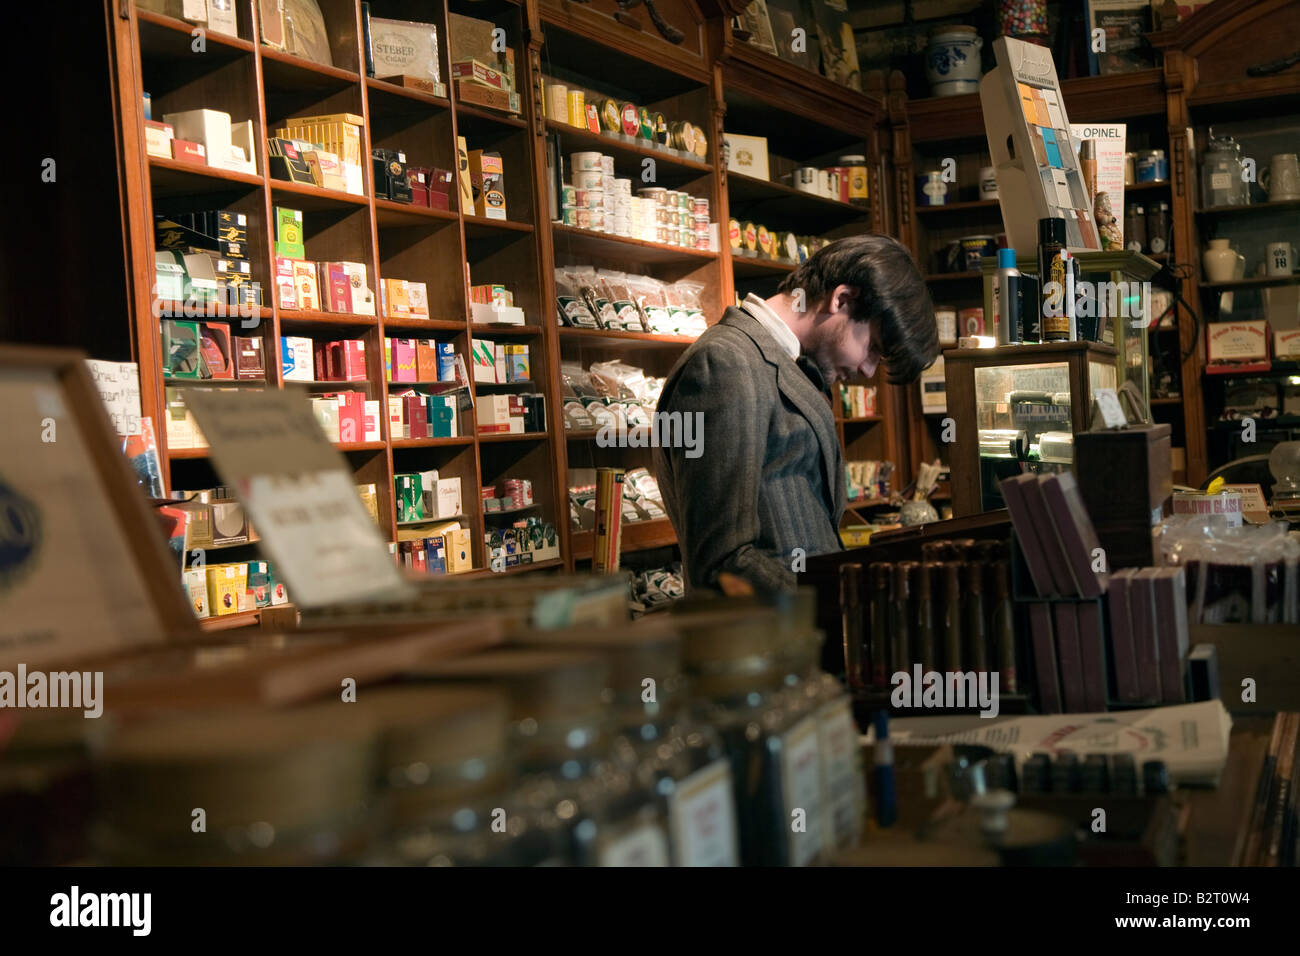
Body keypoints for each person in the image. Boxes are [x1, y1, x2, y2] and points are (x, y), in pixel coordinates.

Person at [653, 234, 938, 593]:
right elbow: (723, 560)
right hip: (773, 640)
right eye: (873, 349)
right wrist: (839, 604)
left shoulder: (787, 366)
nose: (868, 371)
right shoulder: (723, 364)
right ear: (842, 299)